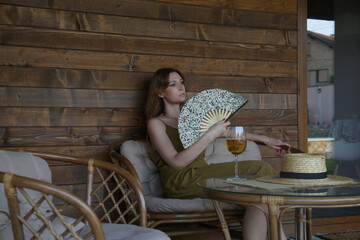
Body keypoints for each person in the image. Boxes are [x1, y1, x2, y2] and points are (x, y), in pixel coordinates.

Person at [145, 68, 290, 240]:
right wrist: (210, 135)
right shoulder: (156, 123)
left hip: (202, 174)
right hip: (181, 180)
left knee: (260, 199)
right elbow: (176, 162)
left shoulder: (195, 120)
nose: (181, 87)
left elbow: (230, 133)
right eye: (173, 84)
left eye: (182, 82)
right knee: (262, 168)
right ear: (160, 93)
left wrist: (266, 139)